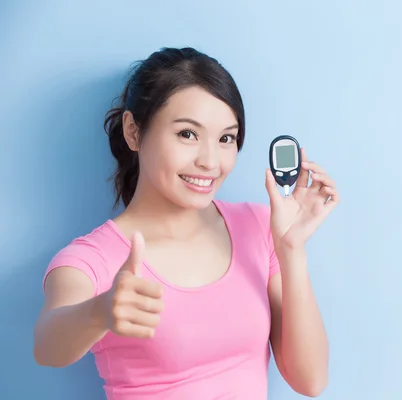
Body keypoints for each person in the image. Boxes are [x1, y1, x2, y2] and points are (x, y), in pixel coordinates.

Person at [33, 47, 339, 399]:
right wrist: (99, 312)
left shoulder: (259, 227)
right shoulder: (94, 259)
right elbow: (47, 346)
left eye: (226, 138)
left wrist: (291, 251)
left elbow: (310, 380)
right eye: (187, 134)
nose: (210, 162)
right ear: (133, 131)